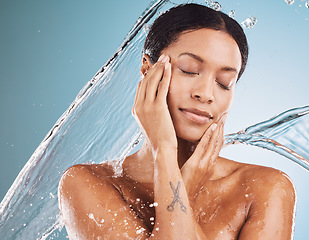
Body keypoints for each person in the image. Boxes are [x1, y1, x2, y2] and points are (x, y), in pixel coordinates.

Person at [58, 3, 296, 239]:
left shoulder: (265, 188)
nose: (206, 93)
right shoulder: (87, 184)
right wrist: (170, 163)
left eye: (224, 83)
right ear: (147, 70)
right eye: (189, 70)